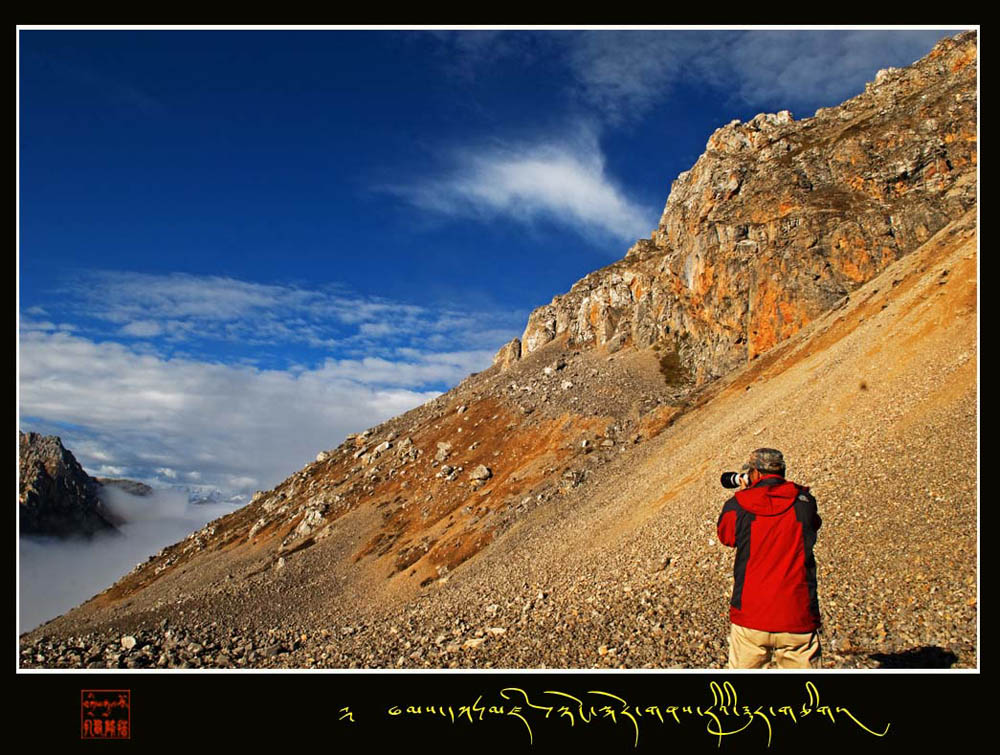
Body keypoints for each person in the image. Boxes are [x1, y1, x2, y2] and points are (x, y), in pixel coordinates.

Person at [716, 448, 822, 669]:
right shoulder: (805, 503)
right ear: (782, 471)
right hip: (797, 614)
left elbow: (726, 536)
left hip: (751, 614)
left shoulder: (737, 506)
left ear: (754, 474)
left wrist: (746, 494)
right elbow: (814, 525)